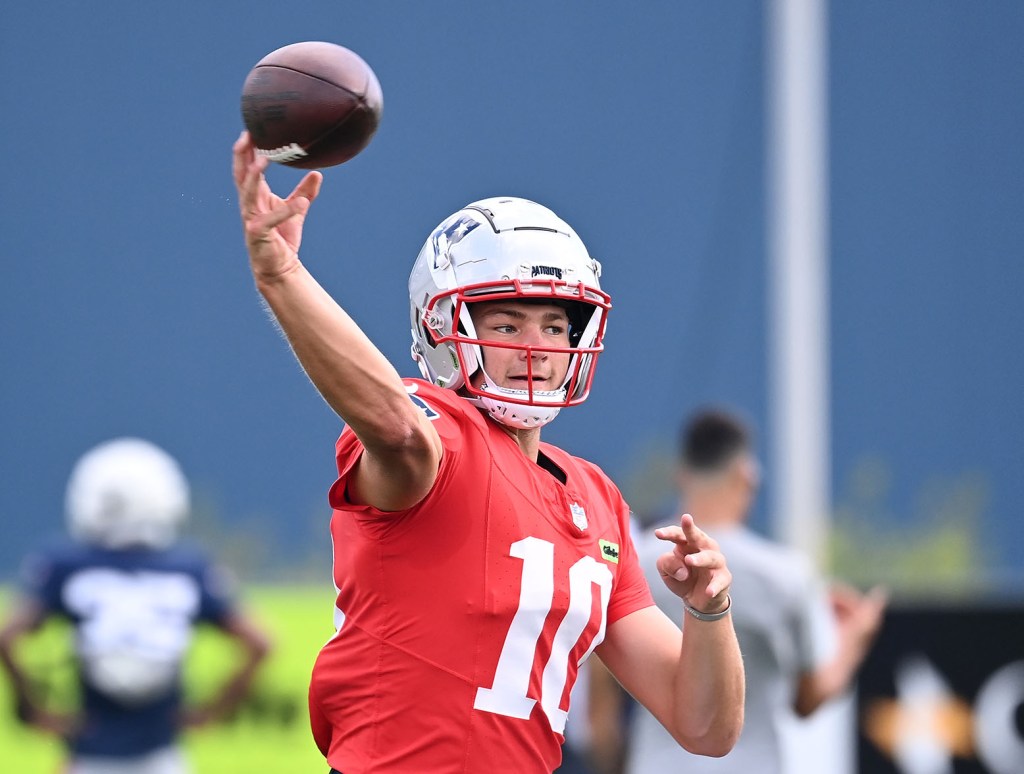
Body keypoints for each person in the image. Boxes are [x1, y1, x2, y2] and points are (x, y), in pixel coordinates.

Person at [231, 132, 745, 773]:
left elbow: (705, 728)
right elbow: (395, 428)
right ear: (444, 330)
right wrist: (282, 276)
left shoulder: (596, 499)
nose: (538, 344)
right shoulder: (436, 434)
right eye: (507, 323)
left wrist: (709, 611)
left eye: (556, 325)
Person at [607, 408, 886, 774]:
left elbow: (602, 711)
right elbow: (806, 700)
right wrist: (854, 640)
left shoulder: (631, 559)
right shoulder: (786, 576)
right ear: (747, 476)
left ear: (680, 475)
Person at [0, 437, 272, 774]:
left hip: (89, 753)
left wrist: (29, 708)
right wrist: (212, 712)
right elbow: (261, 643)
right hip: (163, 756)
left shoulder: (67, 564)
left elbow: (7, 635)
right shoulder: (189, 567)